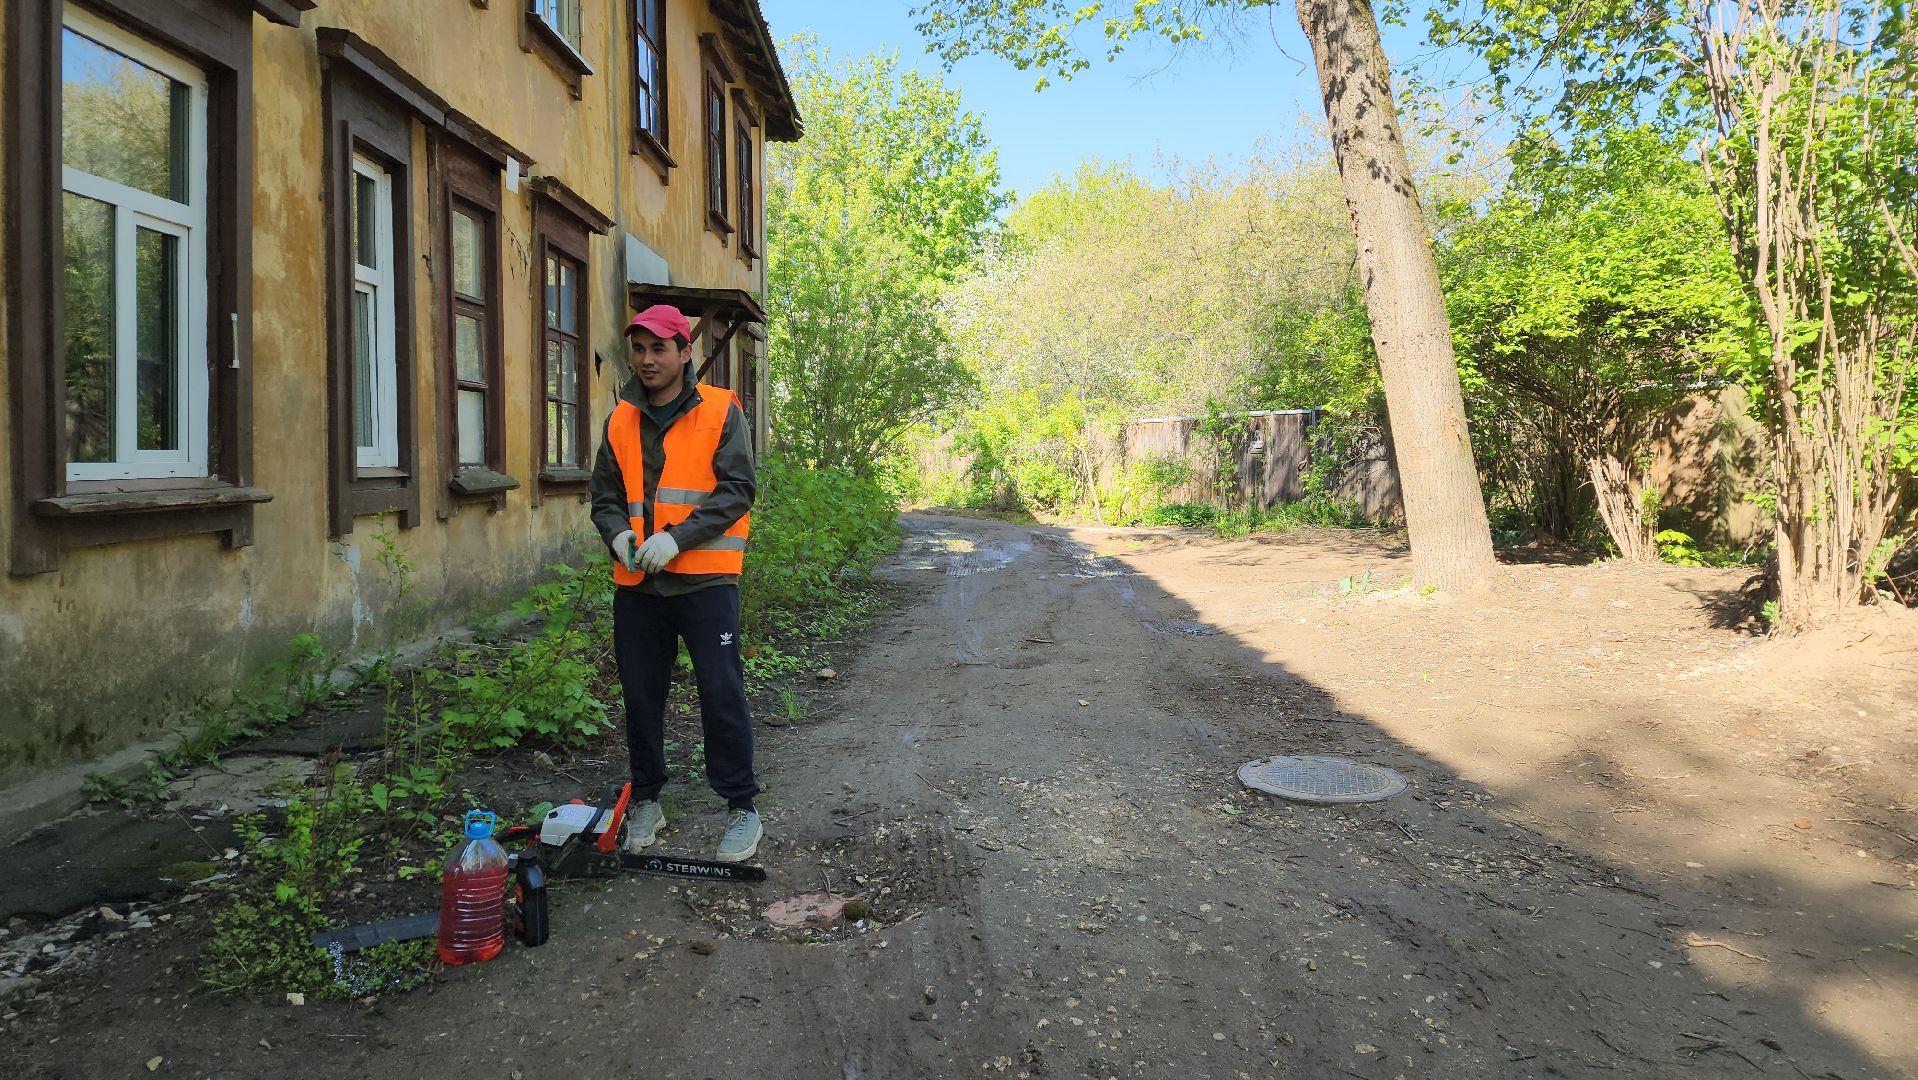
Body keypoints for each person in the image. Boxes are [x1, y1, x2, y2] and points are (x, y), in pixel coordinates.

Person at [589, 303, 762, 864]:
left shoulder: (721, 411)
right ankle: (646, 800)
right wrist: (617, 534)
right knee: (641, 698)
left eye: (659, 348)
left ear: (685, 352)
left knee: (721, 693)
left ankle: (740, 806)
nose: (647, 359)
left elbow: (737, 489)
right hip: (639, 588)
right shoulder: (620, 419)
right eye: (639, 349)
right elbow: (604, 497)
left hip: (706, 583)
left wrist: (677, 539)